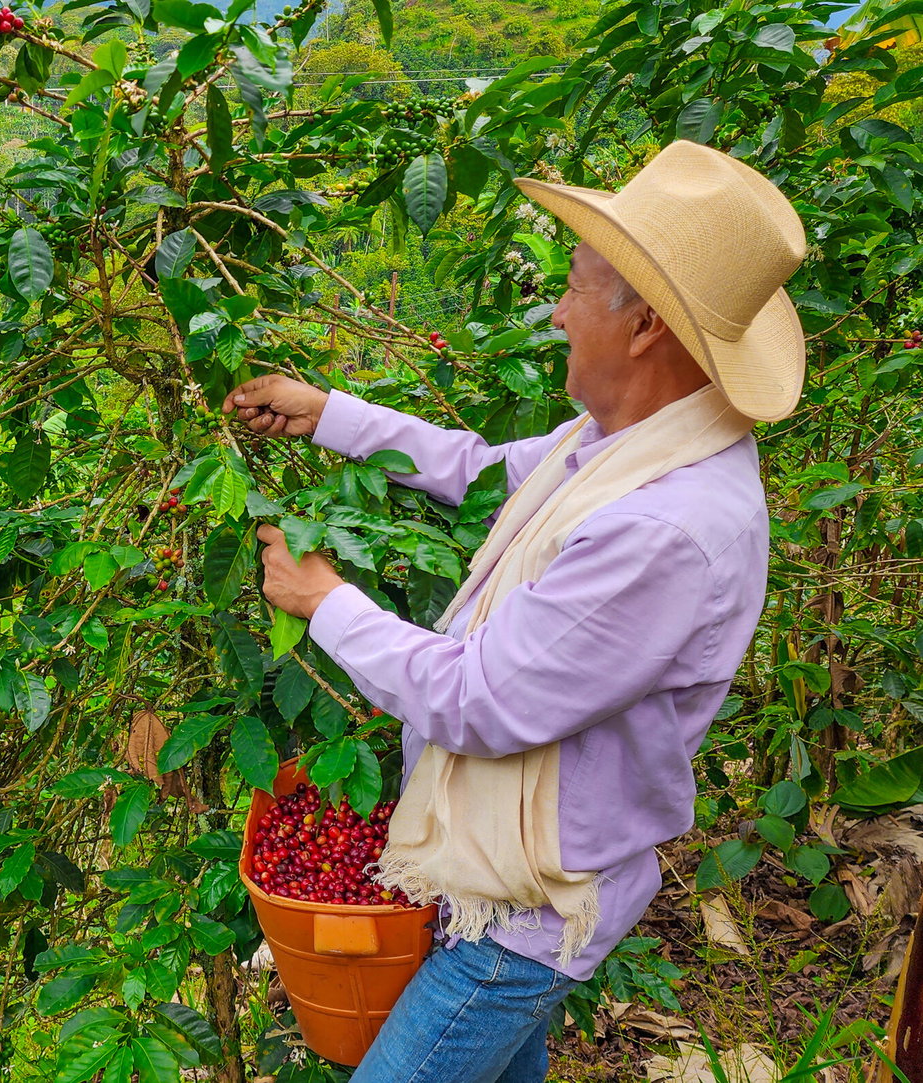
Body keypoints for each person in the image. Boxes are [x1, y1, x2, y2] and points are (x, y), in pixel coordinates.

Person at [222, 140, 807, 1082]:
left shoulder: (665, 526)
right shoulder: (631, 443)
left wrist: (322, 599)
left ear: (647, 323)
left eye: (575, 286)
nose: (556, 310)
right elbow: (489, 472)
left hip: (525, 917)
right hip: (493, 876)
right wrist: (327, 412)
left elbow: (478, 701)